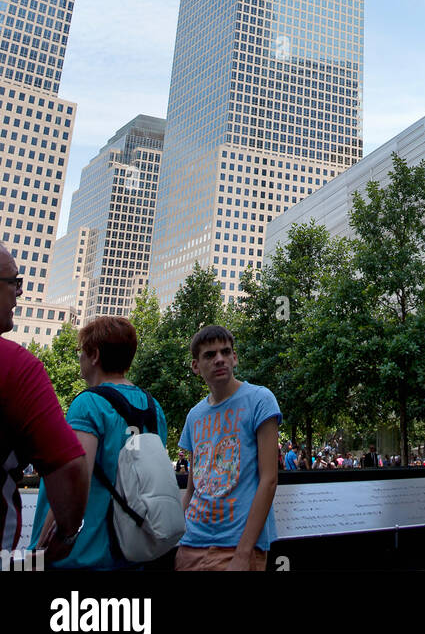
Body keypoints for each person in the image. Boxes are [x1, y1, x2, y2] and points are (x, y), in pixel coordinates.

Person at [31, 315, 169, 570]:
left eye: (81, 351)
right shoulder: (153, 408)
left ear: (94, 355)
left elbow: (74, 479)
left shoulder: (88, 404)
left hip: (79, 555)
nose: (79, 358)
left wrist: (43, 546)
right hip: (132, 552)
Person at [0, 243, 88, 560]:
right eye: (14, 282)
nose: (20, 292)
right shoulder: (16, 367)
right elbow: (71, 467)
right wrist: (66, 534)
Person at [175, 325, 280, 572]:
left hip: (237, 548)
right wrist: (175, 537)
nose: (219, 359)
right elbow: (193, 487)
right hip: (190, 545)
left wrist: (243, 554)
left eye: (226, 352)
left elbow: (269, 480)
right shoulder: (194, 415)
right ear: (195, 366)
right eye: (210, 355)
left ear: (235, 358)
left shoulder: (260, 400)